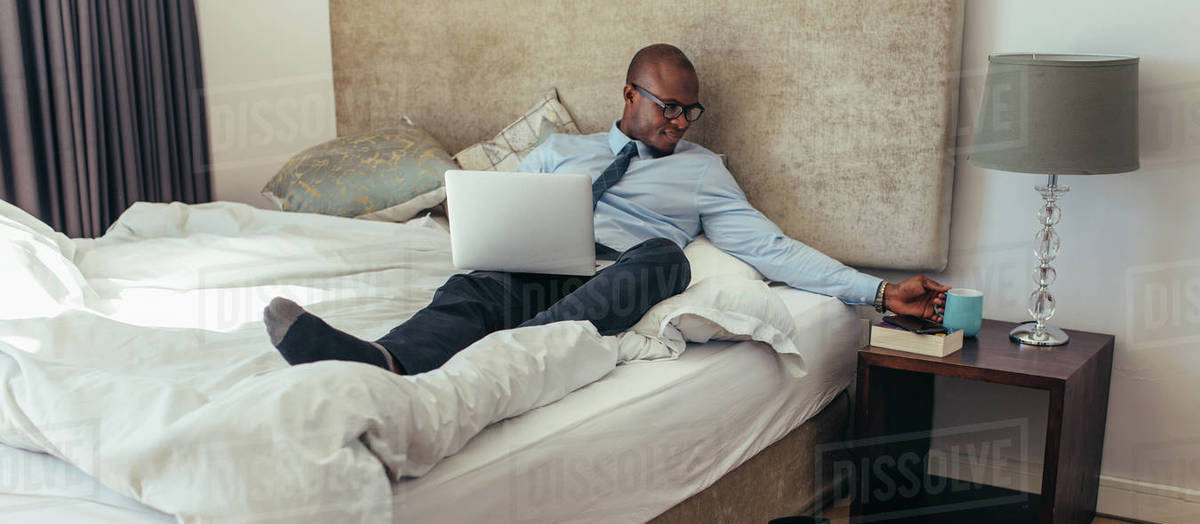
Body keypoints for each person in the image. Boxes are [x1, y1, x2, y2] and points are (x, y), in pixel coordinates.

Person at [264, 44, 949, 375]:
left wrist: (879, 290)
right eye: (667, 106)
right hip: (535, 267)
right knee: (473, 287)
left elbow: (771, 248)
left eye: (689, 110)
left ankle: (515, 352)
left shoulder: (703, 172)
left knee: (665, 257)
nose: (679, 121)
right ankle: (382, 359)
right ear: (629, 95)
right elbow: (495, 209)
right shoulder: (560, 149)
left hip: (619, 275)